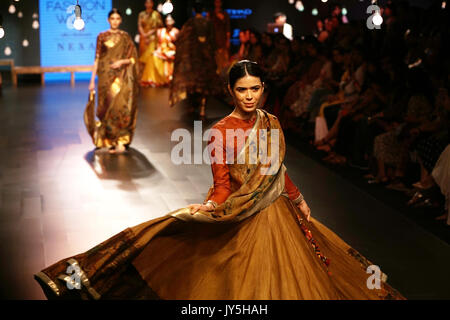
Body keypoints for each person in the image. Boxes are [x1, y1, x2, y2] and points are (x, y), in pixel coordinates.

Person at [35, 60, 404, 300]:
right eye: (242, 90)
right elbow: (224, 184)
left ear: (263, 90)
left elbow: (279, 170)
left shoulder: (271, 122)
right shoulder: (219, 132)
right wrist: (211, 205)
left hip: (279, 212)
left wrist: (299, 199)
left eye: (255, 89)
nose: (249, 96)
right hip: (244, 214)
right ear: (231, 91)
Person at [86, 9, 139, 154]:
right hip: (104, 77)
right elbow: (97, 59)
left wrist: (122, 61)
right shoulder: (101, 36)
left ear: (120, 20)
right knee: (105, 108)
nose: (115, 21)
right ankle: (109, 140)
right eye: (112, 18)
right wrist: (92, 80)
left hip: (120, 76)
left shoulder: (125, 37)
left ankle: (120, 139)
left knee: (119, 107)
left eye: (117, 18)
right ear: (108, 20)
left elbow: (133, 58)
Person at [169, 2, 221, 119]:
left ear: (193, 10)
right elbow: (213, 41)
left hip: (194, 57)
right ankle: (202, 108)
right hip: (206, 56)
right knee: (205, 83)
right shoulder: (208, 22)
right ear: (202, 9)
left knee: (194, 82)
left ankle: (192, 107)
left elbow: (182, 40)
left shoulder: (190, 23)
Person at [140, 15, 179, 87]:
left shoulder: (176, 31)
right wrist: (158, 50)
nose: (168, 22)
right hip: (162, 50)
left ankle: (168, 78)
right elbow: (159, 43)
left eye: (170, 20)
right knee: (152, 57)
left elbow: (178, 44)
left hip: (172, 51)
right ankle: (155, 79)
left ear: (173, 22)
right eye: (167, 21)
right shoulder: (161, 31)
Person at [138, 0, 163, 86]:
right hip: (143, 38)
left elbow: (159, 26)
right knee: (142, 59)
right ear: (145, 4)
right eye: (147, 2)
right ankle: (142, 79)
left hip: (152, 38)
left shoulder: (156, 14)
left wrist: (148, 34)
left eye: (150, 2)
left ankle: (151, 78)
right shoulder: (141, 14)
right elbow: (139, 25)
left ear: (152, 4)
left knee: (150, 58)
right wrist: (144, 35)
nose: (148, 4)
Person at [208, 0, 231, 73]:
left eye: (219, 2)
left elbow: (228, 28)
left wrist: (228, 40)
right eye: (216, 1)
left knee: (224, 62)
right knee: (215, 61)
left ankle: (224, 77)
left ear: (221, 3)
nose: (217, 3)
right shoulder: (211, 14)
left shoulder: (225, 14)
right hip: (213, 41)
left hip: (222, 40)